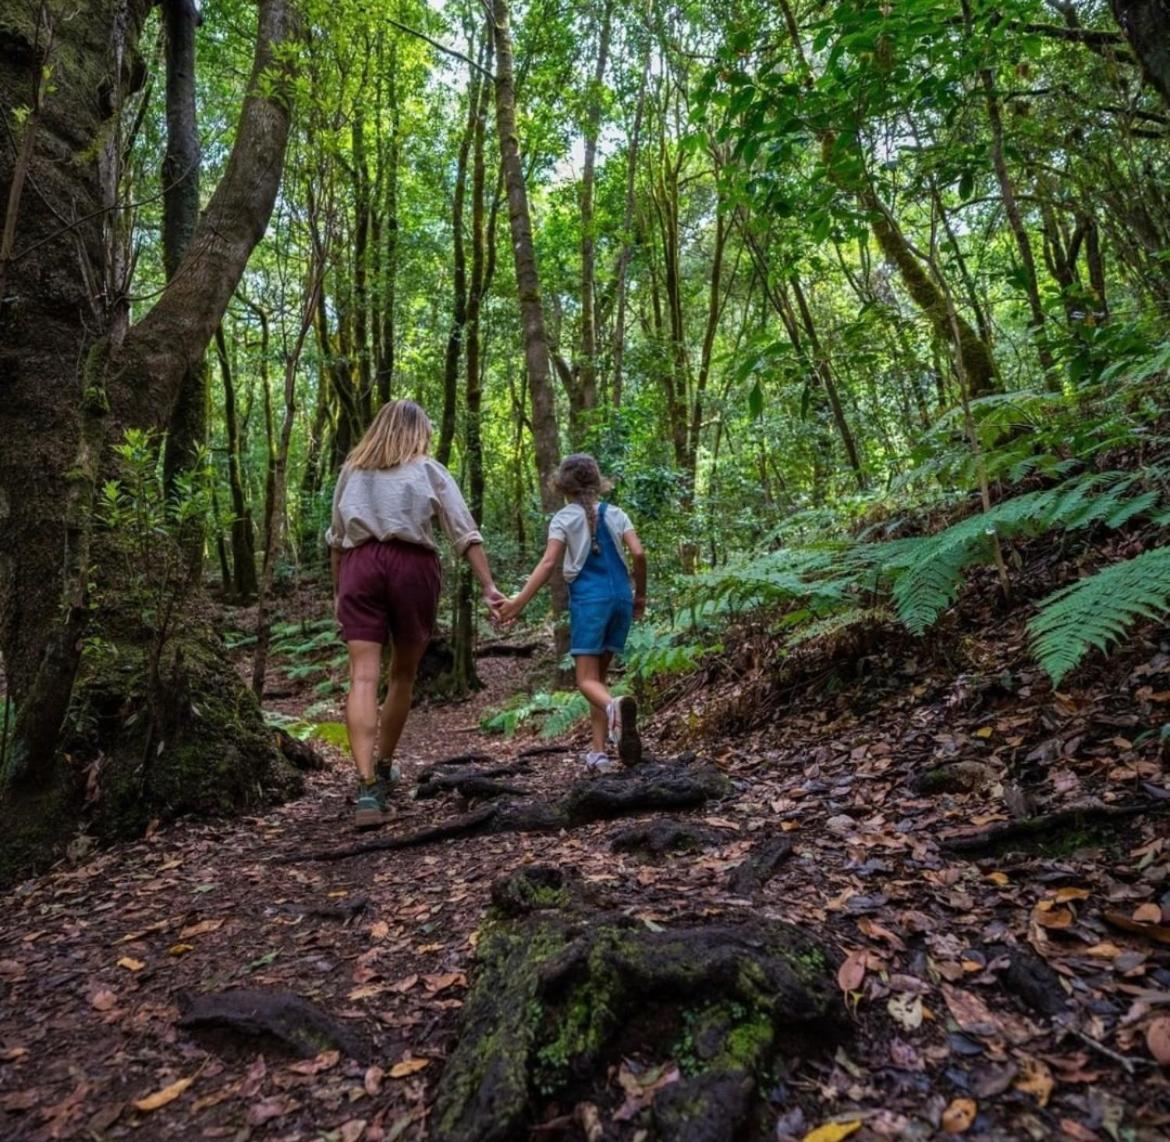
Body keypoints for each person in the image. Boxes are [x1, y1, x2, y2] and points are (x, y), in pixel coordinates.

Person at [326, 400, 505, 828]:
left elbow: (336, 539)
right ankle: (384, 765)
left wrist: (338, 592)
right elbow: (465, 532)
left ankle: (368, 787)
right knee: (402, 675)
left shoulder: (352, 470)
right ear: (418, 432)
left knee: (362, 677)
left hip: (359, 567)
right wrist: (488, 586)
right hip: (412, 568)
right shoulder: (428, 469)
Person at [498, 454, 646, 772]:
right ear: (597, 483)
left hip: (590, 602)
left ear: (563, 486)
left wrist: (518, 602)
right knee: (599, 678)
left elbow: (549, 563)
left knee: (584, 681)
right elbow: (639, 552)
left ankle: (615, 708)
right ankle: (598, 753)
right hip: (621, 598)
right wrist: (641, 596)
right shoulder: (617, 514)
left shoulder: (564, 518)